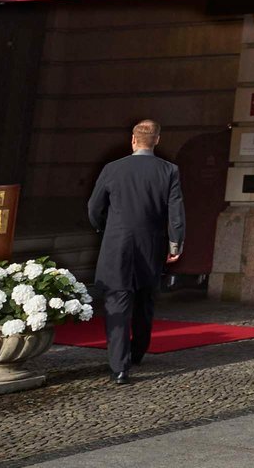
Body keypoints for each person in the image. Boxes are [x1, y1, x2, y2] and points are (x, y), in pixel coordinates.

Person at [86, 119, 185, 384]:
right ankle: (138, 351)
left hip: (116, 244)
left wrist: (104, 228)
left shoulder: (112, 168)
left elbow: (94, 207)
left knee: (116, 302)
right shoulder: (169, 170)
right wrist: (175, 243)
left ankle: (119, 366)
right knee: (145, 299)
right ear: (157, 140)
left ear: (133, 140)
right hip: (150, 245)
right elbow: (175, 212)